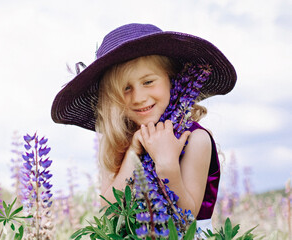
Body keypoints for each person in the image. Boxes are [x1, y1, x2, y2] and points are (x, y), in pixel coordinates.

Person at [51, 23, 236, 233]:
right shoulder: (119, 142)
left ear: (171, 79)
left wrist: (168, 166)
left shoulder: (194, 139)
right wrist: (132, 153)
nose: (138, 97)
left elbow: (188, 220)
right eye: (125, 89)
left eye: (148, 81)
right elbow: (109, 210)